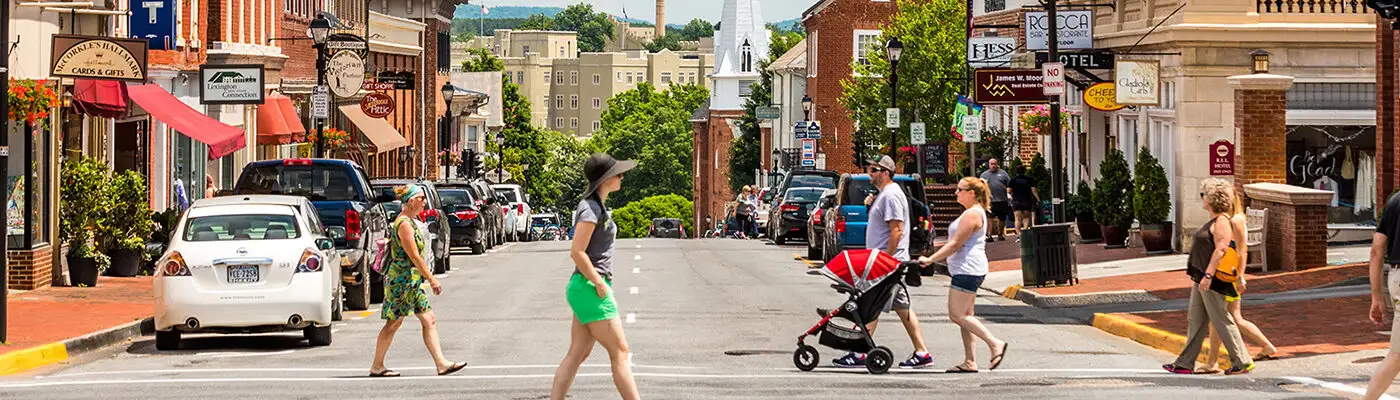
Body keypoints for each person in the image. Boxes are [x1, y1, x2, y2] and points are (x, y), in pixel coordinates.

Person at [830, 156, 934, 369]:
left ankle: (860, 352)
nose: (870, 174)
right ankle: (922, 353)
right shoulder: (885, 195)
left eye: (874, 170)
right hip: (888, 260)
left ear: (885, 172)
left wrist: (884, 259)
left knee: (870, 305)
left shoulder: (892, 195)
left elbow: (896, 229)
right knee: (899, 307)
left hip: (887, 262)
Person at [551, 153, 640, 400]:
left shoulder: (596, 206)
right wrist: (599, 283)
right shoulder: (590, 209)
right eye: (618, 174)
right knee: (620, 352)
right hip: (590, 286)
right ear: (605, 179)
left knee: (578, 352)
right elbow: (577, 252)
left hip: (584, 287)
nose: (622, 177)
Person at [368, 185, 466, 378]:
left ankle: (441, 363)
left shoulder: (411, 222)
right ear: (411, 201)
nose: (424, 202)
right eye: (421, 198)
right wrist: (432, 279)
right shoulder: (403, 223)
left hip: (411, 281)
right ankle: (377, 365)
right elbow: (414, 256)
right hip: (402, 281)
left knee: (429, 319)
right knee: (393, 323)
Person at [1162, 178, 1254, 375]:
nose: (1202, 198)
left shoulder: (1222, 221)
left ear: (1213, 198)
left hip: (1212, 278)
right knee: (1195, 319)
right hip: (1200, 276)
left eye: (1204, 195)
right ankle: (1185, 363)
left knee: (1221, 318)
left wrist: (1209, 275)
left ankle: (1241, 360)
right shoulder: (1213, 220)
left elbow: (1221, 248)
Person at [917, 177, 1009, 373]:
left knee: (957, 314)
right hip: (969, 269)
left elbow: (955, 244)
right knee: (966, 316)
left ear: (972, 193)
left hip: (968, 269)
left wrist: (930, 259)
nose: (956, 193)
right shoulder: (974, 213)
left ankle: (995, 344)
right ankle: (970, 361)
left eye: (960, 189)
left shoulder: (972, 215)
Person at [1199, 192, 1278, 374]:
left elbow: (1242, 251)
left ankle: (1212, 362)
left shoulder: (1235, 220)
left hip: (1229, 276)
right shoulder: (1227, 219)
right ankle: (1266, 346)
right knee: (1231, 318)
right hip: (1226, 275)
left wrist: (1241, 276)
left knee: (1223, 319)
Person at [1364, 191, 1400, 399]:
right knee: (1396, 356)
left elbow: (1376, 250)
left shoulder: (1395, 201)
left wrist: (1377, 297)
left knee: (1397, 355)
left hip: (1396, 277)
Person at [979, 159, 1012, 242]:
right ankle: (989, 235)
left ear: (997, 164)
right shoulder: (984, 175)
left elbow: (1009, 184)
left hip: (1002, 200)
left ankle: (1000, 234)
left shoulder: (1003, 173)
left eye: (995, 164)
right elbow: (980, 187)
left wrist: (1008, 193)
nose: (993, 165)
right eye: (991, 164)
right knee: (989, 218)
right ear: (989, 165)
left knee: (1002, 218)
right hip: (990, 201)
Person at [1007, 164, 1038, 242]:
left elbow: (1008, 191)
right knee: (1026, 218)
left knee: (1017, 219)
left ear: (1016, 172)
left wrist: (1011, 197)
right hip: (1027, 200)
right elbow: (1033, 190)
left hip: (1017, 201)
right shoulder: (1029, 179)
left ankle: (1019, 236)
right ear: (1024, 171)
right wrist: (1038, 199)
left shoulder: (1013, 180)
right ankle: (1025, 234)